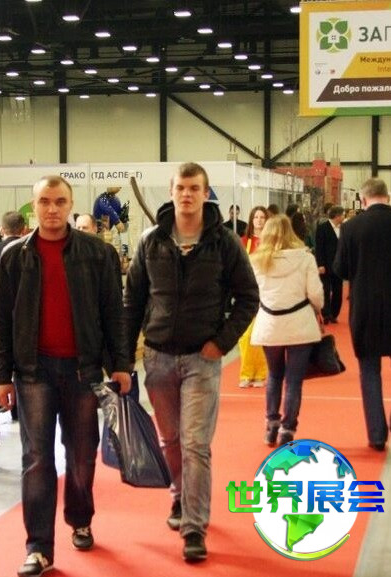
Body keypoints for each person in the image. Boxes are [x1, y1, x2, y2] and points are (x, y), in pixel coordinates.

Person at [0, 176, 131, 577]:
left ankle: (80, 519)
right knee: (36, 458)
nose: (52, 209)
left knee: (82, 454)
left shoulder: (97, 253)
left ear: (70, 205)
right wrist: (1, 374)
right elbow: (0, 319)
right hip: (32, 371)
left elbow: (114, 313)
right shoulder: (13, 256)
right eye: (44, 201)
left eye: (59, 201)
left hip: (83, 370)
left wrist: (120, 363)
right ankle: (38, 547)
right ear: (33, 205)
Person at [123, 162, 258, 562]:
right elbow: (132, 302)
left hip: (203, 359)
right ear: (172, 192)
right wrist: (123, 358)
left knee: (196, 443)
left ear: (205, 193)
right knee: (171, 440)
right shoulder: (151, 241)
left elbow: (248, 298)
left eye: (194, 188)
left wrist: (222, 342)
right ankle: (180, 496)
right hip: (158, 358)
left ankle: (195, 527)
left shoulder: (224, 243)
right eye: (181, 187)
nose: (186, 194)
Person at [249, 215, 324, 446]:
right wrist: (318, 308)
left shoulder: (256, 261)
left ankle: (271, 424)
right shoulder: (305, 258)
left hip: (270, 324)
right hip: (299, 324)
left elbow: (252, 294)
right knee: (293, 381)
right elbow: (315, 294)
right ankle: (287, 429)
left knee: (274, 375)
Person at [334, 178, 391, 451]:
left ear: (363, 199)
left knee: (369, 371)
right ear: (387, 197)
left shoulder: (350, 227)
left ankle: (377, 435)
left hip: (365, 308)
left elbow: (341, 270)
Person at [237, 206, 269, 389]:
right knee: (245, 336)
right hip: (247, 293)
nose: (259, 220)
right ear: (251, 220)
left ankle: (260, 374)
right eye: (256, 217)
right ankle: (246, 373)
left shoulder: (271, 242)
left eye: (262, 217)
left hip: (267, 293)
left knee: (261, 334)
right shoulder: (244, 242)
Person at [315, 205, 345, 323]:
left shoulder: (344, 228)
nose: (344, 217)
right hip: (326, 265)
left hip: (339, 265)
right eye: (342, 215)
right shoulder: (322, 228)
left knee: (338, 291)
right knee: (325, 290)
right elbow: (319, 248)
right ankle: (326, 314)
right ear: (337, 216)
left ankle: (334, 314)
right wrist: (320, 264)